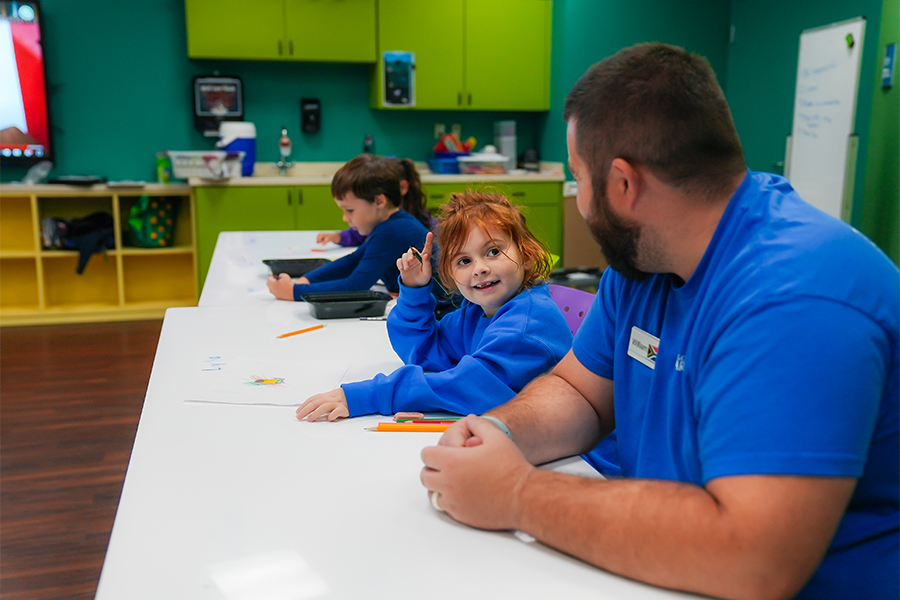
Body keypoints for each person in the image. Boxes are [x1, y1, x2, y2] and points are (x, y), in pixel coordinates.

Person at [420, 42, 899, 600]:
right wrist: (498, 435)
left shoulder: (798, 296)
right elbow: (581, 392)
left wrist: (518, 495)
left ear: (624, 184)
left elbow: (754, 558)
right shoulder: (645, 262)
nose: (578, 202)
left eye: (579, 179)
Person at [295, 190, 573, 421]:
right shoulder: (476, 313)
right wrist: (414, 291)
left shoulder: (527, 324)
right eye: (464, 261)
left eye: (493, 251)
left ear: (526, 256)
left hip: (582, 463)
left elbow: (468, 385)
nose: (480, 269)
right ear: (450, 274)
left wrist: (369, 395)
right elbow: (427, 354)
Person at [267, 154, 436, 301]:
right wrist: (307, 280)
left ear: (379, 201)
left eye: (350, 210)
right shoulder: (391, 224)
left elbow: (356, 285)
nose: (344, 218)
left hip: (441, 312)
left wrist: (293, 292)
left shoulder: (392, 230)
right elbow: (353, 260)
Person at [315, 156, 433, 247]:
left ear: (402, 187)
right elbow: (357, 235)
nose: (345, 218)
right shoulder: (378, 217)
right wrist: (338, 237)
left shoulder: (417, 224)